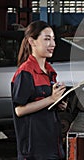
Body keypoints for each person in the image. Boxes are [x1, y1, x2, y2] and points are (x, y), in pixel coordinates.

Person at [11, 20, 67, 160]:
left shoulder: (49, 71)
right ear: (32, 41)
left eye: (53, 39)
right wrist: (51, 99)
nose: (53, 44)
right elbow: (20, 110)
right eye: (47, 39)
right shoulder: (26, 72)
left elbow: (45, 103)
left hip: (52, 143)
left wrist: (58, 103)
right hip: (34, 150)